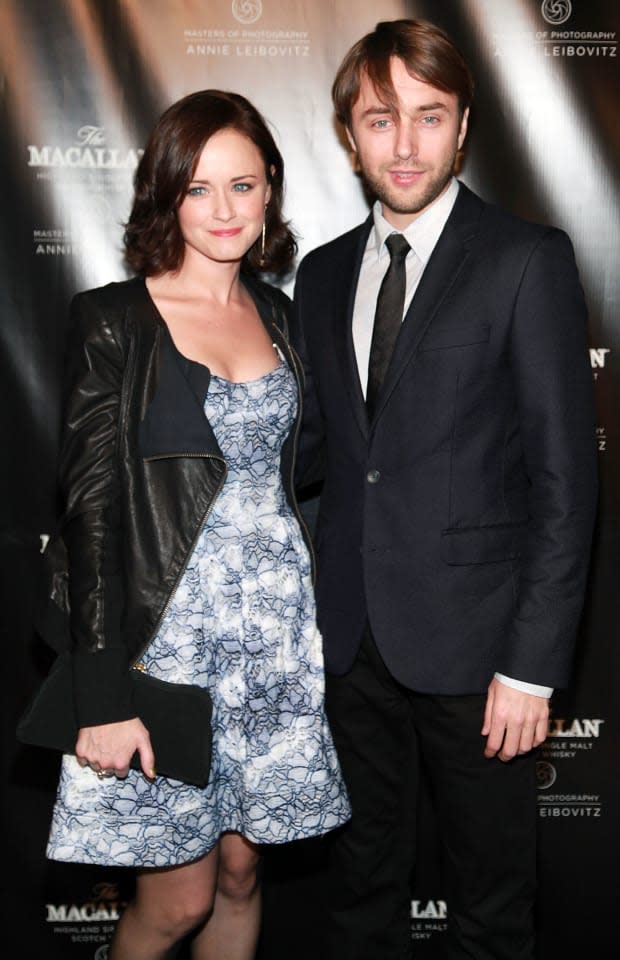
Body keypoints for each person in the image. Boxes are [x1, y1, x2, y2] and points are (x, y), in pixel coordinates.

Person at [292, 19, 598, 960]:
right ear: (350, 133)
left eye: (430, 117)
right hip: (349, 647)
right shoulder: (321, 271)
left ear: (463, 127)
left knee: (493, 910)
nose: (407, 144)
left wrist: (533, 665)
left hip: (483, 653)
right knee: (358, 899)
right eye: (382, 120)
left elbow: (565, 478)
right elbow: (321, 467)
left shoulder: (523, 258)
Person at [42, 89, 350, 960]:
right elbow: (89, 517)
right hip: (167, 643)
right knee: (177, 899)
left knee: (245, 876)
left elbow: (310, 475)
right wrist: (101, 693)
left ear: (270, 194)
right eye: (199, 188)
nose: (224, 211)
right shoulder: (113, 322)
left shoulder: (282, 318)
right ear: (165, 194)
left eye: (243, 187)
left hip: (276, 643)